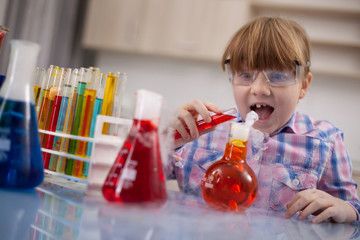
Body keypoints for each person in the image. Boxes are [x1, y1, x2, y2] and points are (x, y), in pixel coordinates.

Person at [165, 16, 360, 224]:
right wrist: (163, 139)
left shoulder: (326, 141)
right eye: (246, 75)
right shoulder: (200, 132)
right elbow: (134, 176)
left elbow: (352, 210)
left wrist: (346, 209)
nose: (259, 89)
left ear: (303, 85)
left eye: (277, 76)